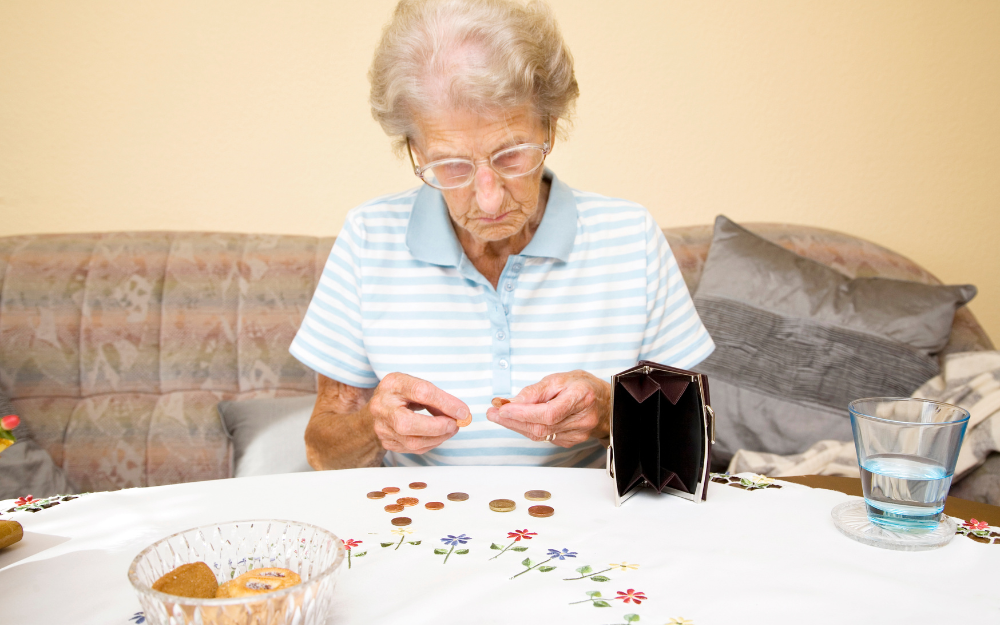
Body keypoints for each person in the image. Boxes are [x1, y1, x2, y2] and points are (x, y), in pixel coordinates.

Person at [290, 0, 714, 470]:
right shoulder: (368, 239)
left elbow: (692, 441)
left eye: (511, 154)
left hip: (590, 531)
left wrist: (610, 414)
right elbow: (321, 453)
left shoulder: (631, 238)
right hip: (422, 531)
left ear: (550, 126)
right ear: (414, 150)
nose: (489, 200)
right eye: (451, 165)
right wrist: (373, 426)